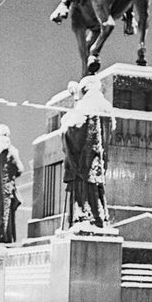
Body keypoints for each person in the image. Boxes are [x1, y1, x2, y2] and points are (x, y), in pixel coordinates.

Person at [61, 76, 115, 229]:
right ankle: (98, 219)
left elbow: (73, 133)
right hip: (98, 163)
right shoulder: (106, 108)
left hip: (84, 164)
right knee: (97, 196)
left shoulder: (85, 107)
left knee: (84, 199)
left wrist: (65, 126)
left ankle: (85, 220)